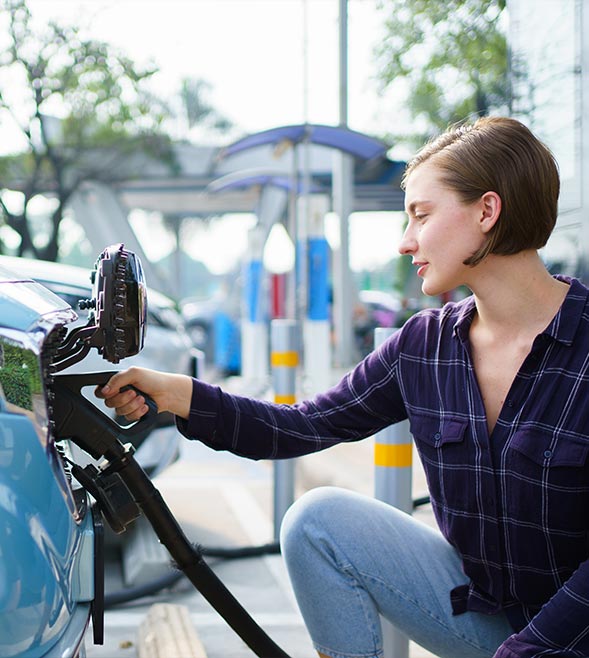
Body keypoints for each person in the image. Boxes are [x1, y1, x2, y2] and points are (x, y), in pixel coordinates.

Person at [96, 116, 589, 658]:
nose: (406, 242)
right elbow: (303, 425)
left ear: (487, 211)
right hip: (494, 622)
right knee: (317, 521)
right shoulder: (424, 347)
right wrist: (176, 393)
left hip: (573, 635)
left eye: (421, 216)